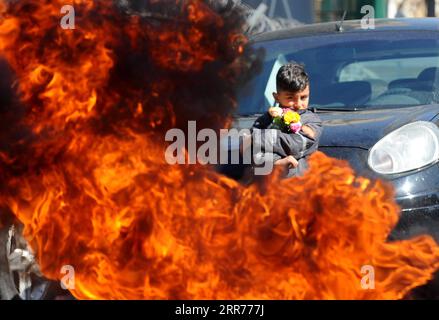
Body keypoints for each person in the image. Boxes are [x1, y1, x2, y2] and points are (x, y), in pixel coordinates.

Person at [251, 61, 323, 177]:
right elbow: (250, 152)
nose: (298, 104)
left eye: (303, 97)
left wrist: (256, 137)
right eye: (290, 97)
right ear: (276, 97)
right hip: (268, 186)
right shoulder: (265, 120)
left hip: (299, 183)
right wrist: (275, 162)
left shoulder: (312, 121)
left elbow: (298, 143)